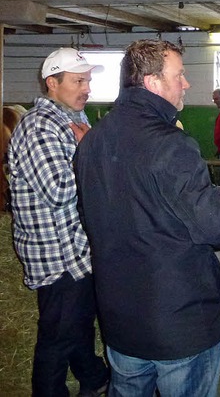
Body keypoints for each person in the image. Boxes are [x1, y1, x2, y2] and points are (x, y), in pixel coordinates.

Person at [74, 39, 220, 397]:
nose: (187, 83)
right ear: (152, 82)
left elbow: (95, 216)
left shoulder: (92, 141)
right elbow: (214, 224)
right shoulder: (171, 144)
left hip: (120, 320)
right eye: (179, 75)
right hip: (179, 322)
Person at [8, 47, 109, 397]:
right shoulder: (39, 127)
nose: (87, 88)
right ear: (53, 83)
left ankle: (94, 378)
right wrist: (88, 153)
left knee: (78, 323)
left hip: (75, 249)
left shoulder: (72, 120)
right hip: (58, 254)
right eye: (79, 80)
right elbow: (60, 191)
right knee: (57, 337)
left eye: (89, 80)